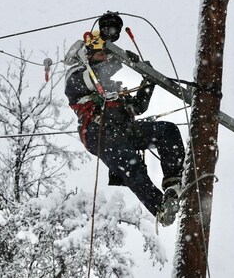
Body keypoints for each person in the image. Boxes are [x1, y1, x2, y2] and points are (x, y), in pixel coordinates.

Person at [64, 12, 186, 226]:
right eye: (102, 53)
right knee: (133, 166)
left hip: (123, 129)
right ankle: (160, 208)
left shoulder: (112, 87)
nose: (106, 57)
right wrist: (121, 59)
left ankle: (173, 182)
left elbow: (136, 107)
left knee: (167, 131)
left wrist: (149, 82)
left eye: (107, 54)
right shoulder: (76, 78)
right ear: (89, 55)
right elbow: (96, 76)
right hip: (99, 131)